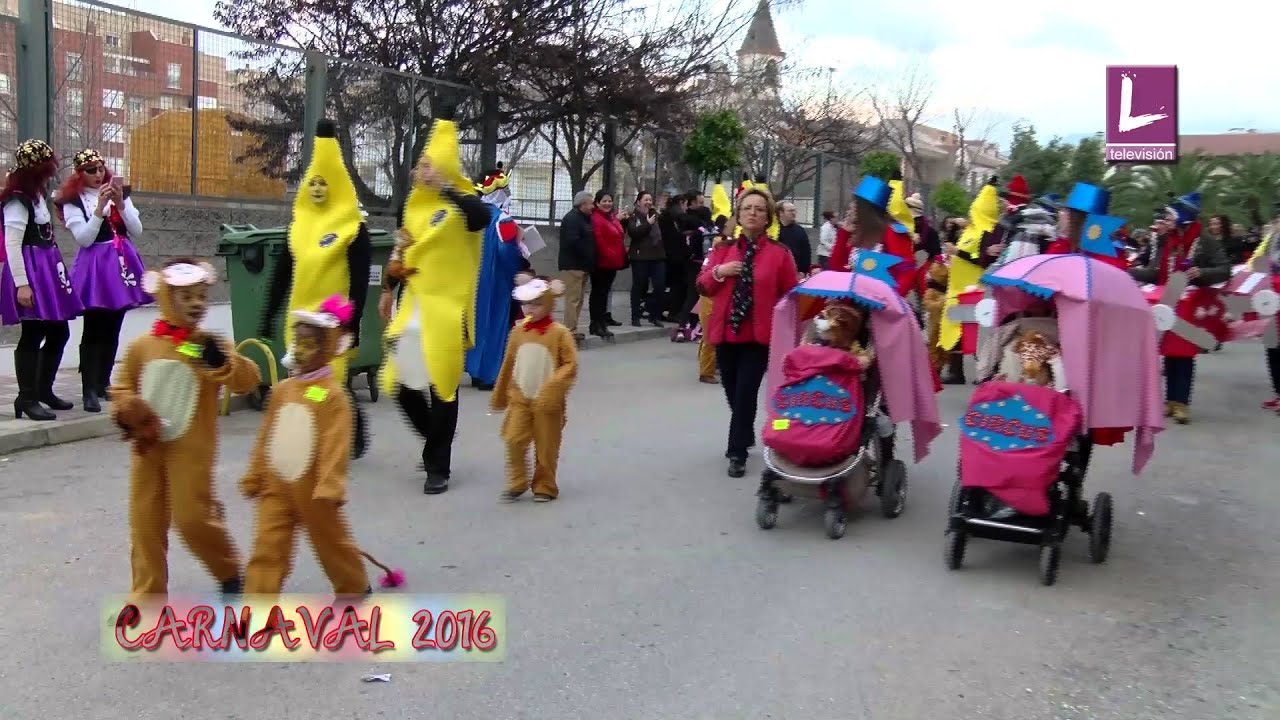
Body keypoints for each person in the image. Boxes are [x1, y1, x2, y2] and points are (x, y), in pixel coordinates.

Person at [109, 259, 261, 604]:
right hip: (147, 448)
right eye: (186, 296)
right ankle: (147, 598)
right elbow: (120, 389)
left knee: (192, 519)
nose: (196, 303)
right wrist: (128, 408)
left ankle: (228, 569)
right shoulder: (142, 347)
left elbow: (248, 381)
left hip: (192, 450)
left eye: (202, 296)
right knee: (145, 522)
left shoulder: (210, 344)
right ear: (165, 297)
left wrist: (224, 363)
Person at [241, 295, 398, 599]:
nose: (301, 350)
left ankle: (353, 584)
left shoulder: (332, 396)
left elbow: (335, 444)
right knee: (267, 547)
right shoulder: (283, 391)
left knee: (331, 542)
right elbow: (267, 436)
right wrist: (255, 473)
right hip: (276, 487)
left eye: (310, 344)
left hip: (314, 490)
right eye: (298, 342)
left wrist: (330, 484)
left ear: (327, 349)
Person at [380, 107, 490, 495]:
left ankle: (437, 466)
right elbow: (400, 248)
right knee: (398, 382)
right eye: (421, 164)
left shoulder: (464, 200)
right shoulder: (411, 204)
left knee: (443, 384)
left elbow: (480, 219)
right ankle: (435, 440)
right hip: (412, 305)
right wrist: (385, 288)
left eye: (431, 164)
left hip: (448, 307)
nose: (423, 170)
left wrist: (448, 189)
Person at [261, 119, 372, 457]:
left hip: (333, 320)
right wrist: (268, 314)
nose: (318, 189)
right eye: (314, 183)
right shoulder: (297, 228)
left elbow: (361, 278)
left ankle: (342, 433)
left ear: (337, 187)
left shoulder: (353, 229)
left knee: (328, 383)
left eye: (325, 184)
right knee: (302, 382)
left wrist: (352, 322)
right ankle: (317, 435)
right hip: (299, 319)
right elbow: (282, 274)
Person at [697, 188, 799, 478]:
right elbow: (703, 285)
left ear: (768, 217)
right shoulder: (721, 250)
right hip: (726, 332)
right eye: (747, 208)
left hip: (758, 336)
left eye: (759, 209)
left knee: (745, 393)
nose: (752, 213)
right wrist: (721, 271)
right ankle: (744, 431)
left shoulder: (780, 254)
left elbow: (791, 295)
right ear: (738, 215)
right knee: (732, 390)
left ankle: (737, 451)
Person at [55, 148, 150, 415]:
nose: (98, 175)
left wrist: (120, 204)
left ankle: (103, 382)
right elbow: (84, 238)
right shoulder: (74, 201)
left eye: (100, 169)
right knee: (94, 327)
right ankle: (88, 390)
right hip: (96, 265)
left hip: (120, 261)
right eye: (90, 170)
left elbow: (137, 230)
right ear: (79, 174)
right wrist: (99, 210)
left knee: (113, 326)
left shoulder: (119, 194)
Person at [1130, 191, 1231, 424]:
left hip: (1190, 303)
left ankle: (1182, 403)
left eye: (1171, 215)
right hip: (1167, 300)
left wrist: (1202, 272)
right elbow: (1157, 272)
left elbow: (1224, 268)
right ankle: (1170, 401)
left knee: (1184, 354)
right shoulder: (1168, 240)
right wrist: (1130, 271)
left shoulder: (1205, 241)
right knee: (1169, 352)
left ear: (1185, 216)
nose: (1167, 219)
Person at [3, 139, 84, 421]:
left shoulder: (36, 194)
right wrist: (22, 284)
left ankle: (42, 390)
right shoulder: (17, 198)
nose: (51, 173)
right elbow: (13, 244)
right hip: (31, 270)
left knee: (58, 331)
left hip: (46, 267)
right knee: (33, 333)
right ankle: (26, 398)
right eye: (47, 168)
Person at [492, 277, 579, 502]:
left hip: (546, 401)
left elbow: (570, 364)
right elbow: (509, 362)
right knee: (513, 438)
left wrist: (553, 388)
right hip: (520, 397)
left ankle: (545, 486)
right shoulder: (518, 331)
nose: (530, 308)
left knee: (546, 446)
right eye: (526, 303)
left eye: (538, 303)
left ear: (550, 304)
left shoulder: (559, 333)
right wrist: (501, 393)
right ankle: (517, 481)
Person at [937, 176, 1001, 384]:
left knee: (970, 332)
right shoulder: (972, 230)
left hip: (973, 291)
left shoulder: (987, 233)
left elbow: (982, 260)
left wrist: (958, 252)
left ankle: (985, 371)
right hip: (958, 290)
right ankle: (957, 371)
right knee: (958, 328)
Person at [465, 194, 526, 390]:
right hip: (496, 281)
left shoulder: (470, 214)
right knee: (495, 325)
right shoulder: (503, 219)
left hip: (471, 279)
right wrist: (521, 250)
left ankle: (474, 369)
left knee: (475, 324)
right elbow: (507, 252)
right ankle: (489, 374)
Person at [557, 190, 595, 343]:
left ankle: (573, 328)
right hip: (573, 265)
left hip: (582, 265)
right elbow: (573, 242)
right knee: (572, 299)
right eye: (591, 203)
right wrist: (587, 254)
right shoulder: (572, 219)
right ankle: (569, 331)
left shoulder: (585, 218)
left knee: (578, 299)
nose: (593, 206)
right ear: (583, 204)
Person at [624, 191, 666, 327]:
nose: (648, 202)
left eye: (650, 200)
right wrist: (647, 224)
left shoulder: (656, 215)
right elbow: (634, 233)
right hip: (640, 257)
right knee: (639, 286)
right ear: (638, 202)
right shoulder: (634, 216)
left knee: (659, 286)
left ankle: (654, 315)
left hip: (657, 256)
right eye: (645, 200)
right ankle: (635, 316)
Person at [588, 189, 625, 340]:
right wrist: (609, 255)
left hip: (612, 262)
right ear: (597, 203)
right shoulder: (596, 218)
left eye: (610, 201)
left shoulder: (611, 217)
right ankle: (595, 324)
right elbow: (599, 240)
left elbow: (620, 233)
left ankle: (601, 323)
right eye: (604, 201)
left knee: (604, 294)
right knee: (598, 293)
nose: (607, 203)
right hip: (602, 262)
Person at [776, 201, 811, 277]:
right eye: (790, 211)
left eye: (794, 210)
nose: (794, 213)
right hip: (775, 271)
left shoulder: (799, 230)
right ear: (780, 213)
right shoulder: (772, 230)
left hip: (795, 273)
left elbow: (806, 252)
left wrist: (803, 271)